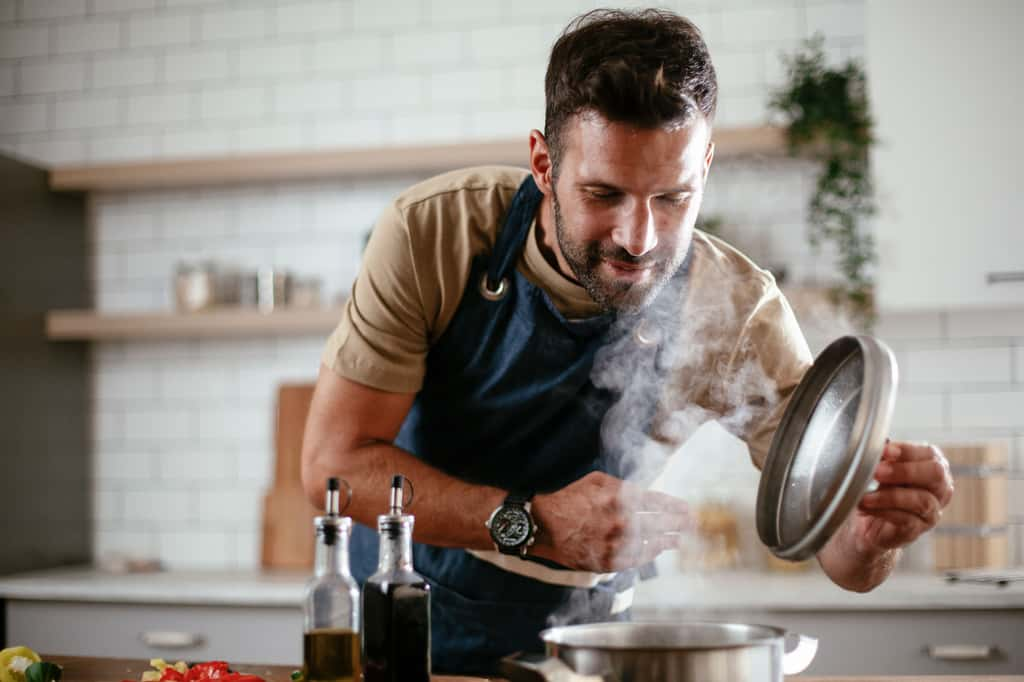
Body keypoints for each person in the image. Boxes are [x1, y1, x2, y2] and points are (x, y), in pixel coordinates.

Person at [301, 8, 953, 676]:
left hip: (587, 656)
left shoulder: (736, 309)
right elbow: (334, 468)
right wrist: (538, 524)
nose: (638, 238)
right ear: (543, 163)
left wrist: (873, 533)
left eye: (672, 197)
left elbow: (844, 559)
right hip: (403, 642)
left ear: (705, 166)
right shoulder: (433, 234)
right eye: (603, 194)